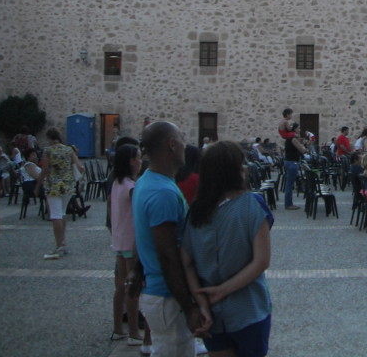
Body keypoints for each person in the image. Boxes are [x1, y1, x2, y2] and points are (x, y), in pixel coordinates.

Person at [181, 141, 272, 357]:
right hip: (249, 308)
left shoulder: (196, 211)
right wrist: (222, 291)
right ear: (235, 170)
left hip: (212, 313)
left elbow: (186, 262)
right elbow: (261, 261)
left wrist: (202, 302)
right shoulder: (253, 205)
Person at [128, 121, 211, 357]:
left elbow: (145, 235)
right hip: (168, 297)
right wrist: (189, 306)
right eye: (182, 138)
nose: (187, 144)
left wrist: (138, 268)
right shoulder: (162, 192)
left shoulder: (148, 181)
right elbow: (167, 254)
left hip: (160, 292)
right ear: (172, 145)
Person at [110, 143, 145, 345]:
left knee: (121, 287)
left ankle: (118, 328)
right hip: (131, 243)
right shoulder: (131, 188)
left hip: (119, 241)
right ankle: (133, 332)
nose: (141, 161)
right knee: (133, 287)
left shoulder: (117, 183)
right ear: (132, 161)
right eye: (139, 157)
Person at [35, 127, 86, 259]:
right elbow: (80, 167)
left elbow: (45, 170)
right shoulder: (68, 149)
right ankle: (62, 242)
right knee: (62, 212)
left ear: (49, 138)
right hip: (68, 185)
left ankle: (59, 245)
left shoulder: (48, 151)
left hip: (54, 185)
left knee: (55, 214)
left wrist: (38, 185)